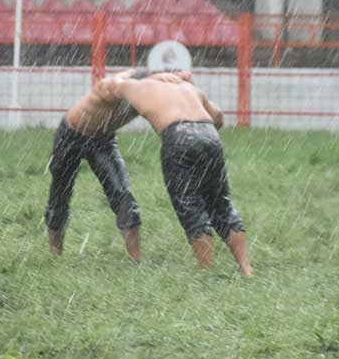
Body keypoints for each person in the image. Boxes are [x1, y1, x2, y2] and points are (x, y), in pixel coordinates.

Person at [94, 70, 253, 275]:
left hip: (178, 135)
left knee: (189, 205)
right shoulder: (187, 88)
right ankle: (246, 268)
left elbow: (104, 87)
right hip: (210, 136)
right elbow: (218, 118)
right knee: (221, 203)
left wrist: (136, 77)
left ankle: (207, 271)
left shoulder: (138, 86)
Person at [45, 69, 154, 262]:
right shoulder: (115, 86)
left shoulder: (151, 95)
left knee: (123, 194)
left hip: (103, 140)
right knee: (60, 195)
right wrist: (126, 83)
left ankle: (136, 261)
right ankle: (55, 258)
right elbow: (104, 86)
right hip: (70, 134)